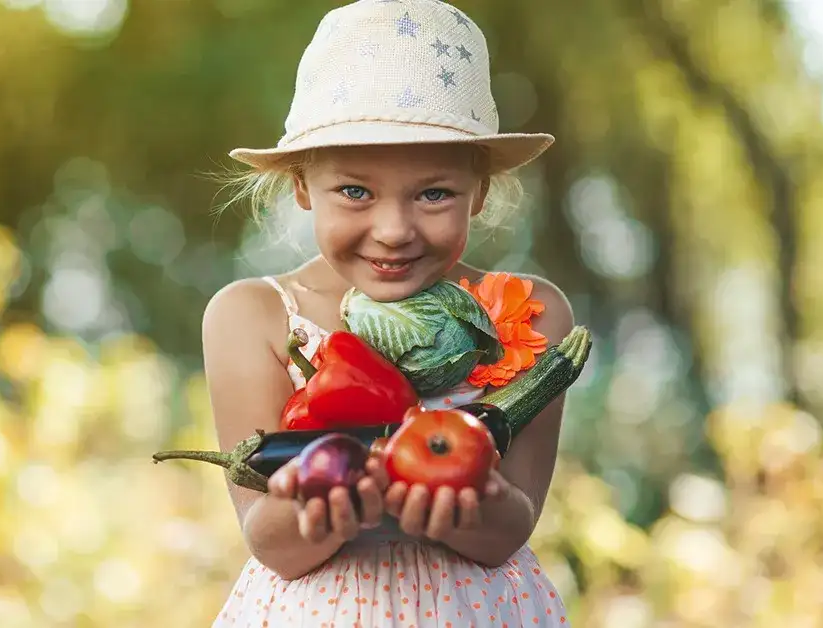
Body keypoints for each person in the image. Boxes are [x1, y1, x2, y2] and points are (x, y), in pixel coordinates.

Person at [202, 1, 574, 625]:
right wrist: (323, 509)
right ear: (301, 186)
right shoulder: (254, 316)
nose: (394, 229)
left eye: (434, 193)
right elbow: (268, 540)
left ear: (479, 191)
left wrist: (468, 497)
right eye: (354, 192)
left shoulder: (530, 316)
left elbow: (512, 523)